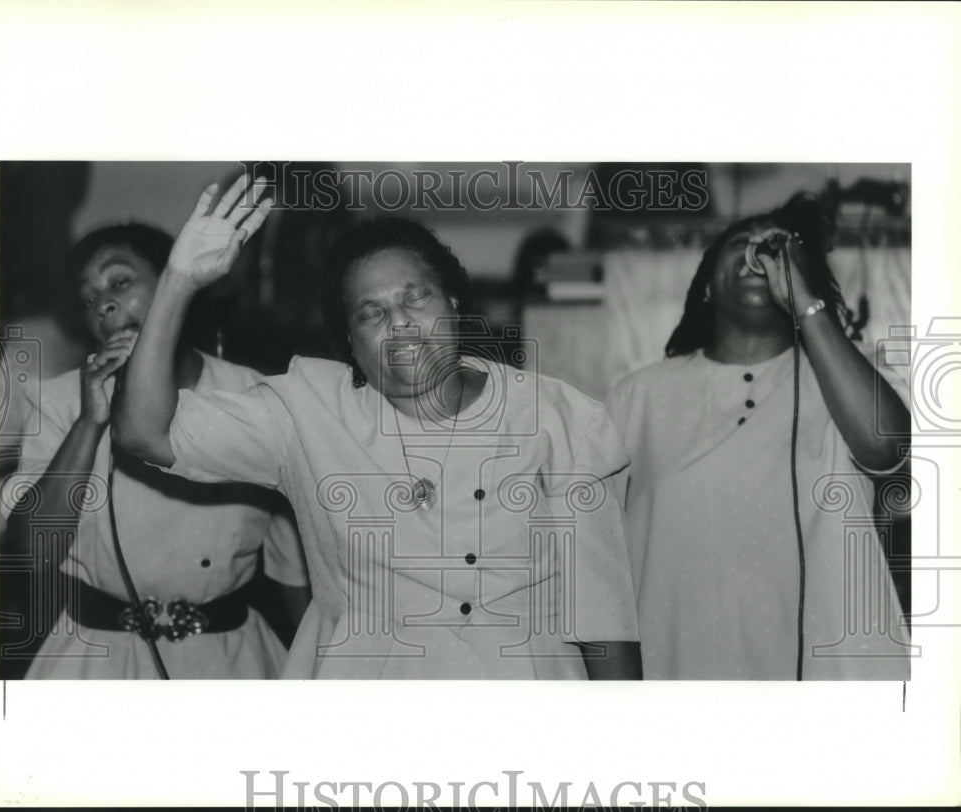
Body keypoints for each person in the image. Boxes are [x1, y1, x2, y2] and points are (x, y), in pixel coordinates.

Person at [114, 176, 642, 679]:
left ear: (454, 304)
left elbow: (603, 617)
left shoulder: (559, 418)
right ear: (350, 341)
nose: (401, 323)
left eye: (417, 297)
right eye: (372, 313)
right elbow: (144, 433)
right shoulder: (306, 412)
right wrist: (178, 283)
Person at [605, 193, 912, 680]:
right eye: (741, 243)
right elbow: (597, 566)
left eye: (778, 246)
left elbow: (888, 444)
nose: (760, 251)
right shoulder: (637, 397)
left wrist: (807, 305)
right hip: (682, 677)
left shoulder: (846, 379)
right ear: (706, 287)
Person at [2, 224, 308, 679]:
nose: (103, 305)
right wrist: (89, 424)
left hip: (229, 665)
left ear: (175, 284)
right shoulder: (60, 403)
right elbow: (33, 554)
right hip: (95, 664)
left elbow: (293, 565)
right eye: (89, 299)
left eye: (119, 282)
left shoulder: (254, 397)